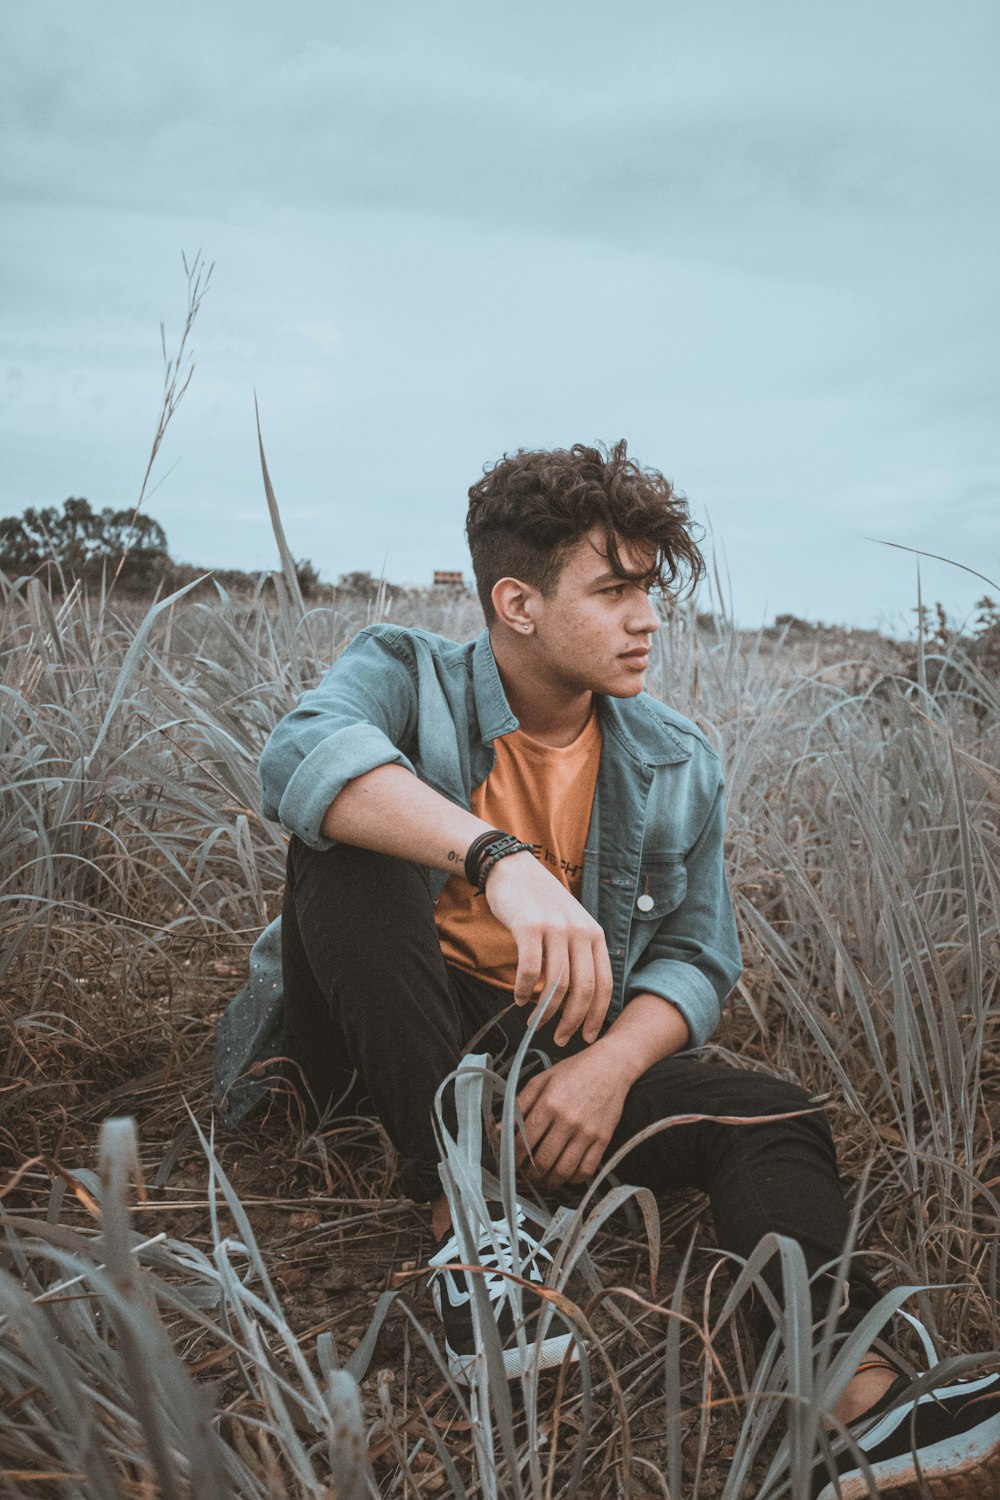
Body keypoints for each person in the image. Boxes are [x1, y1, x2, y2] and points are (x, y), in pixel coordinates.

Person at [215, 441, 999, 1497]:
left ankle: (849, 1395)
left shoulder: (673, 756)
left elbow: (695, 951)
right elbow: (299, 757)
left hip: (535, 1055)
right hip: (371, 1039)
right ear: (517, 602)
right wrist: (500, 862)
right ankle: (473, 1236)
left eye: (651, 589)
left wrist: (609, 1066)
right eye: (614, 588)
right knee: (342, 844)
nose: (649, 619)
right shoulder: (405, 673)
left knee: (767, 1114)